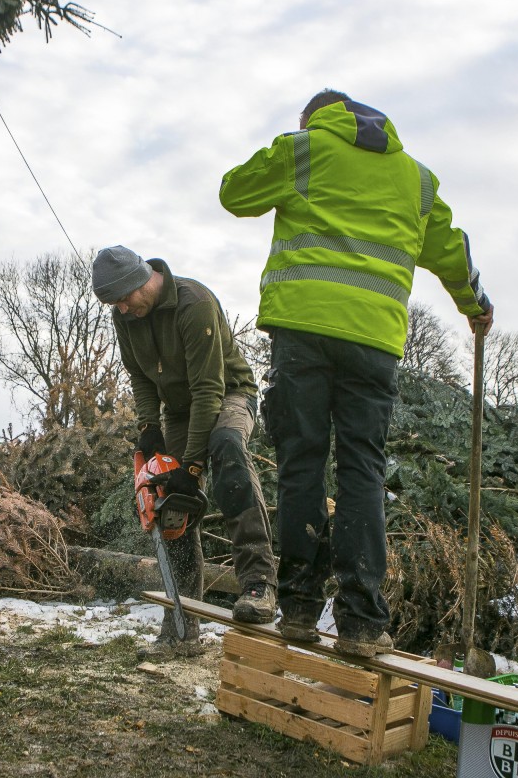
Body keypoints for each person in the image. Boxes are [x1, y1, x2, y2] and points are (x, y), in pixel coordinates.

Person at [219, 89, 494, 658]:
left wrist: (289, 151)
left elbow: (235, 193)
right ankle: (363, 624)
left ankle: (296, 610)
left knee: (302, 465)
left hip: (302, 331)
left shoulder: (305, 148)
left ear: (314, 119)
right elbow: (451, 250)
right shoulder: (415, 179)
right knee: (362, 472)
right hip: (374, 342)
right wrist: (476, 305)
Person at [92, 245, 278, 660]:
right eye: (114, 305)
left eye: (124, 299)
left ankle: (258, 582)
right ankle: (181, 626)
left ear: (141, 280)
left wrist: (191, 467)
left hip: (229, 394)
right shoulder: (125, 317)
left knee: (226, 447)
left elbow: (208, 390)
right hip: (176, 409)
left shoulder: (194, 303)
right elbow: (139, 376)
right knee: (172, 506)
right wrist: (148, 427)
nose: (122, 309)